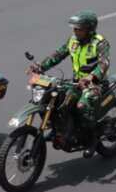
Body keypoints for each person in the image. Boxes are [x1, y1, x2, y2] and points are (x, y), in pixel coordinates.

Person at [28, 10, 110, 158]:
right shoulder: (73, 41)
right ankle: (58, 128)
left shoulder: (100, 42)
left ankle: (93, 138)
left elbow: (104, 64)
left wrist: (91, 77)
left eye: (79, 28)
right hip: (76, 83)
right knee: (52, 100)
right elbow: (58, 55)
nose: (75, 31)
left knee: (81, 106)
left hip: (95, 84)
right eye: (75, 28)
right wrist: (39, 67)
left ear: (89, 29)